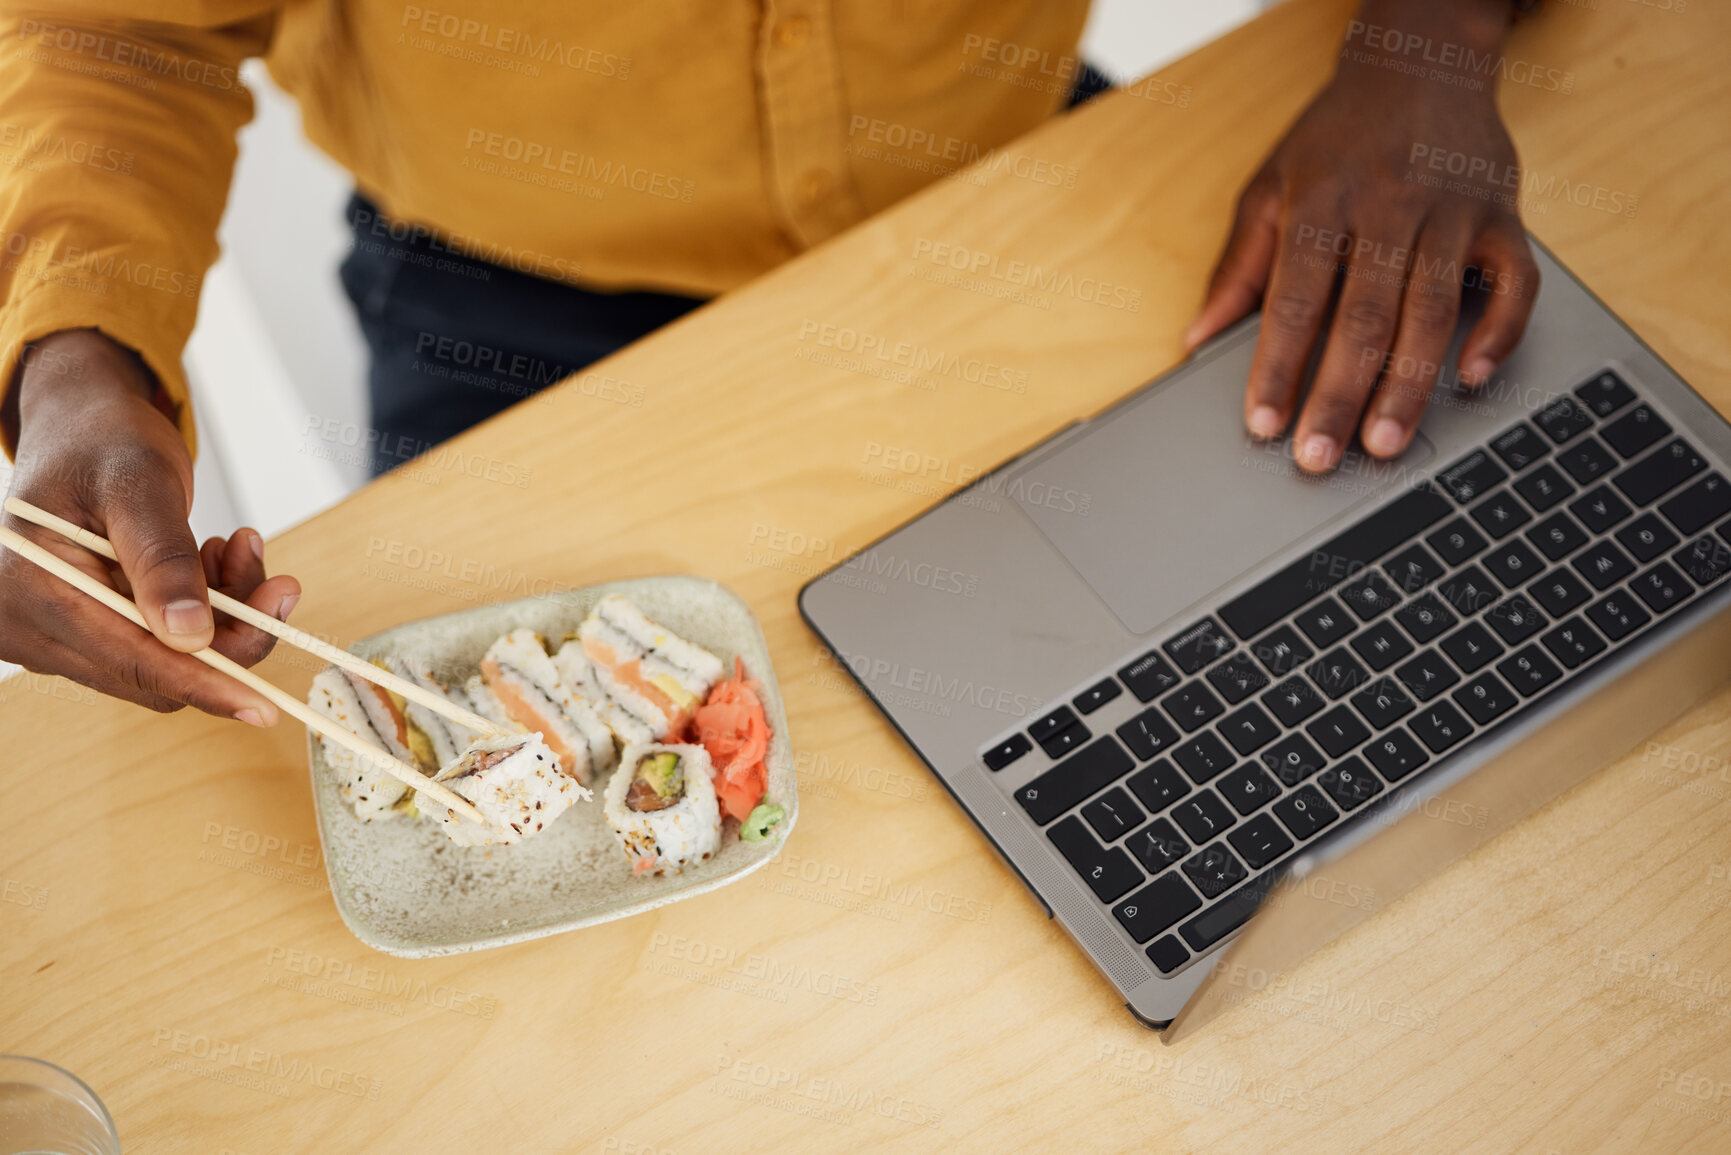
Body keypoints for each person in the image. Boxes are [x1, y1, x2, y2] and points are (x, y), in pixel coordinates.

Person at [0, 0, 1538, 721]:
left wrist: (1429, 42)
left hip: (1030, 194)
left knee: (1302, 666)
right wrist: (73, 360)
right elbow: (109, 30)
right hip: (505, 302)